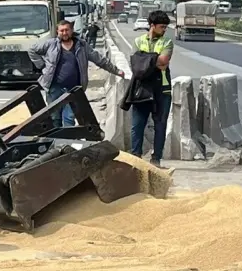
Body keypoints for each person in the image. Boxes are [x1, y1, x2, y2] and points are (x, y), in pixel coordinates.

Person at [28, 18, 125, 126]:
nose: (64, 33)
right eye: (62, 30)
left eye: (67, 30)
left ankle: (67, 137)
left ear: (72, 30)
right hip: (54, 88)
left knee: (69, 118)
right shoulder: (51, 44)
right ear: (57, 32)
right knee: (55, 118)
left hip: (74, 89)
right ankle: (57, 137)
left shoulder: (82, 46)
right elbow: (32, 50)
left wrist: (116, 71)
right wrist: (42, 66)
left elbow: (99, 59)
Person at [131, 11, 174, 166]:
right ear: (152, 26)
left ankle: (156, 159)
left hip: (162, 89)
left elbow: (164, 61)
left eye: (165, 27)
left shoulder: (167, 42)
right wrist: (155, 59)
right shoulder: (138, 41)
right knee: (137, 125)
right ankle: (136, 158)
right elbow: (136, 65)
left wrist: (145, 59)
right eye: (162, 27)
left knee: (160, 125)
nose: (164, 30)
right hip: (142, 88)